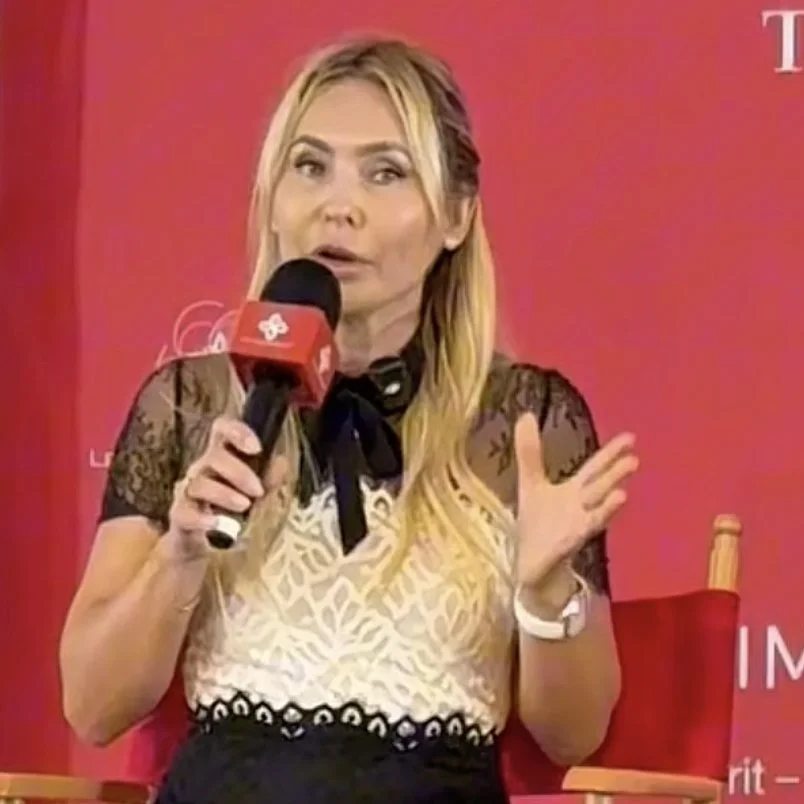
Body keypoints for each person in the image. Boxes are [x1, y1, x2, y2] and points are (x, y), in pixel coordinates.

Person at [59, 35, 638, 804]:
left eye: (386, 172)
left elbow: (575, 735)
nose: (339, 204)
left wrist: (541, 593)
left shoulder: (524, 422)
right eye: (310, 165)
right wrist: (182, 554)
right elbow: (93, 707)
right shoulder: (190, 404)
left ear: (457, 214)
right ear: (272, 195)